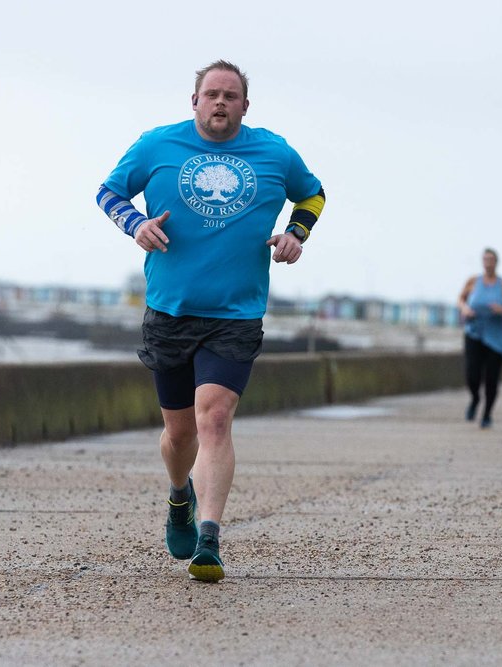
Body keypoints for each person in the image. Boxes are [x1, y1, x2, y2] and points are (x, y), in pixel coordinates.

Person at [96, 60, 325, 581]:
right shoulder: (157, 146)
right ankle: (180, 495)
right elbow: (107, 192)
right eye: (211, 94)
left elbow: (312, 193)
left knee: (214, 418)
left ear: (245, 105)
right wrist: (135, 223)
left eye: (231, 95)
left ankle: (210, 538)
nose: (220, 102)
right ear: (194, 101)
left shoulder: (274, 152)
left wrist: (297, 234)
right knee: (179, 435)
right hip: (171, 309)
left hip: (236, 312)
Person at [458, 248, 502, 428]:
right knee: (472, 374)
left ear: (496, 262)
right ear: (482, 261)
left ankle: (487, 414)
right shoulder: (473, 281)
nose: (488, 262)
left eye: (491, 259)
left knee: (491, 378)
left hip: (497, 336)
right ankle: (475, 398)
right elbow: (460, 299)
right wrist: (464, 309)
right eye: (485, 259)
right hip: (474, 332)